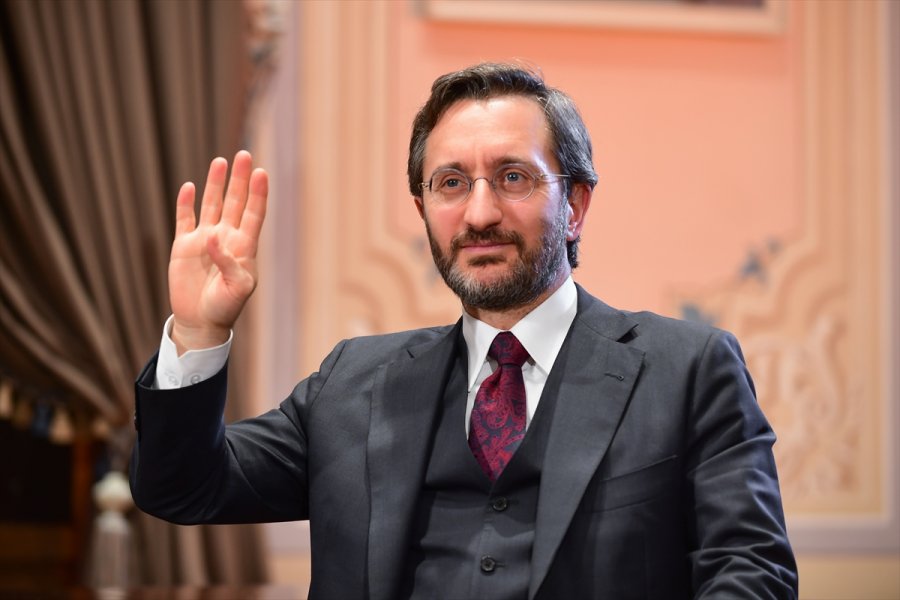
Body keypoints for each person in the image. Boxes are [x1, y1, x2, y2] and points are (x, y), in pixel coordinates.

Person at [130, 63, 798, 599]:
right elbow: (183, 486)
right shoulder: (351, 384)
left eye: (513, 177)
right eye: (451, 183)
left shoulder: (687, 370)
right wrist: (197, 330)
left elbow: (753, 573)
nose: (479, 213)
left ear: (575, 205)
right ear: (423, 208)